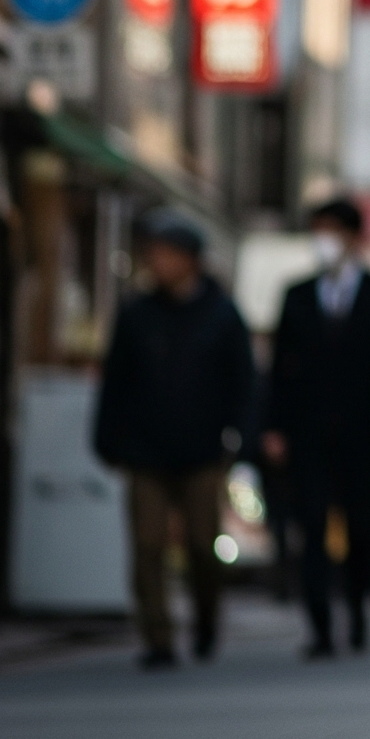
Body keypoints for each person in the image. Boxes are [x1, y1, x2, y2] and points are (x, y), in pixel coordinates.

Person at [93, 212, 254, 668]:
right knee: (147, 547)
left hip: (203, 449)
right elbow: (116, 382)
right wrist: (107, 439)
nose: (156, 263)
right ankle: (158, 637)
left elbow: (243, 382)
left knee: (205, 547)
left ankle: (206, 621)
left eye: (166, 254)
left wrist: (241, 435)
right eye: (153, 254)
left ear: (190, 260)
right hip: (144, 449)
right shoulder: (136, 313)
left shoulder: (221, 314)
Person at [262, 198, 370, 658]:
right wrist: (273, 427)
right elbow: (279, 369)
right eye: (317, 230)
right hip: (306, 431)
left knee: (362, 527)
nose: (323, 241)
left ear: (354, 237)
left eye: (332, 230)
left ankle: (360, 610)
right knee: (311, 524)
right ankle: (320, 625)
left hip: (363, 433)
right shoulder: (297, 295)